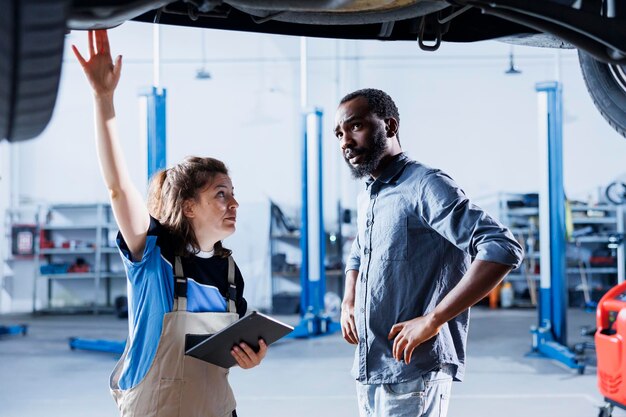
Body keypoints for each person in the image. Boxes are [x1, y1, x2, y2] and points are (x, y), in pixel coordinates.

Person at [72, 30, 266, 417]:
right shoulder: (153, 255)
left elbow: (220, 353)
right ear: (189, 207)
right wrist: (103, 99)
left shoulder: (229, 273)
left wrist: (250, 357)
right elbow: (117, 188)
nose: (234, 204)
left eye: (233, 193)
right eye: (221, 195)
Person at [335, 88, 524, 417]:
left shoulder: (425, 185)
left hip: (414, 372)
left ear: (390, 127)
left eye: (355, 127)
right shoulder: (370, 194)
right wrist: (349, 298)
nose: (345, 141)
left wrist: (434, 320)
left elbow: (501, 247)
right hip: (370, 367)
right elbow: (359, 251)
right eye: (339, 133)